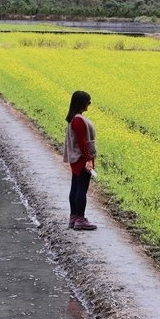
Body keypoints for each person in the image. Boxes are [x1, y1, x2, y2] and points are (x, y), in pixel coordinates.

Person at [63, 90, 97, 231]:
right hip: (81, 159)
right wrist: (89, 160)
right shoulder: (78, 120)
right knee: (81, 189)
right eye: (88, 102)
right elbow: (82, 142)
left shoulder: (74, 118)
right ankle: (80, 219)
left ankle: (73, 218)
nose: (89, 104)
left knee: (75, 188)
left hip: (77, 159)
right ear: (81, 103)